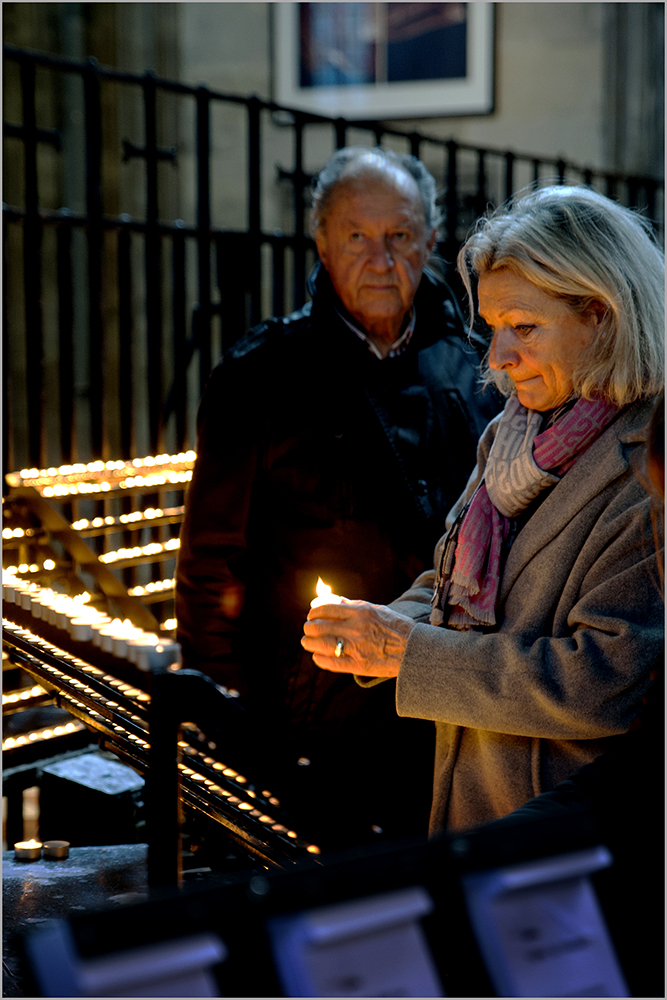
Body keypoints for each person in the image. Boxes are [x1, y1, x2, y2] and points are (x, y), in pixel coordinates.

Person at [302, 185, 664, 839]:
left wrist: (407, 652)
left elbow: (612, 680)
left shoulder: (649, 460)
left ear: (601, 314)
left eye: (523, 328)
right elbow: (447, 580)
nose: (496, 358)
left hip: (570, 834)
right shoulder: (514, 432)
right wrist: (375, 632)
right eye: (493, 327)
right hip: (475, 807)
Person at [176, 146, 501, 849]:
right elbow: (210, 566)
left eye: (400, 236)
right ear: (322, 242)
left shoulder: (478, 362)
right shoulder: (260, 373)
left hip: (449, 706)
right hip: (310, 720)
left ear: (431, 241)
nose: (380, 259)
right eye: (357, 235)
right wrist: (226, 718)